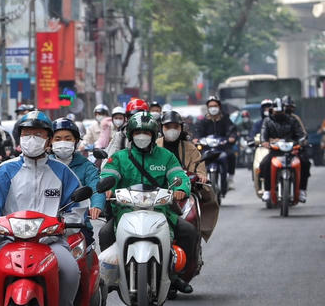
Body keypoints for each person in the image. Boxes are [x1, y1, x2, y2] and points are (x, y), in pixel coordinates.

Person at [0, 110, 84, 306]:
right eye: (26, 133)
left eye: (38, 134)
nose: (31, 138)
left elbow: (75, 206)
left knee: (70, 270)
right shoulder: (4, 170)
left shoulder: (63, 172)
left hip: (51, 241)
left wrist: (68, 221)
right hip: (11, 241)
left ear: (48, 140)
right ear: (18, 138)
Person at [98, 112, 197, 294]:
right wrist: (108, 186)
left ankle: (177, 276)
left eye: (146, 133)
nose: (141, 136)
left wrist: (181, 188)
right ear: (130, 135)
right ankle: (112, 278)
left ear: (153, 135)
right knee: (105, 233)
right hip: (125, 211)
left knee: (189, 232)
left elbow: (178, 175)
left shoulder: (166, 156)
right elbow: (108, 174)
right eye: (137, 133)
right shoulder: (120, 158)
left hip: (160, 210)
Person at [159, 108, 218, 248]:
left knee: (194, 216)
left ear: (181, 128)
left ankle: (197, 237)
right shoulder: (154, 146)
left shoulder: (190, 148)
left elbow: (199, 167)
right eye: (168, 126)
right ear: (161, 128)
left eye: (175, 127)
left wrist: (201, 176)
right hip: (158, 191)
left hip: (185, 191)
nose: (172, 130)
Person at [49, 117, 105, 243]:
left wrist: (96, 205)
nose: (63, 142)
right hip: (45, 226)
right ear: (50, 142)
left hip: (78, 225)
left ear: (76, 141)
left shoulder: (86, 166)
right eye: (58, 139)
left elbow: (96, 188)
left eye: (68, 139)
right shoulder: (44, 165)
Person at [259, 96, 310, 204]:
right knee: (264, 164)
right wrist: (265, 142)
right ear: (272, 110)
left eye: (280, 112)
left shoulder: (292, 120)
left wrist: (301, 141)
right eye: (276, 112)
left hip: (292, 151)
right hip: (275, 151)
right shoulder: (267, 121)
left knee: (305, 163)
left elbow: (300, 134)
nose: (278, 114)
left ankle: (302, 190)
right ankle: (267, 190)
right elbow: (263, 135)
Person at [193, 96, 239, 189]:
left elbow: (232, 130)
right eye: (210, 106)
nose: (213, 108)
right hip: (207, 149)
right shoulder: (203, 121)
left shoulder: (226, 119)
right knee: (196, 159)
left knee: (231, 155)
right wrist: (196, 138)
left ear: (219, 107)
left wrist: (232, 137)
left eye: (215, 105)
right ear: (207, 108)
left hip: (222, 148)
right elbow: (198, 132)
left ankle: (230, 178)